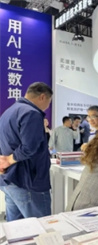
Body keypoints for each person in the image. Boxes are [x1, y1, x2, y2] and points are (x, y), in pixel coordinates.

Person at [0, 82, 53, 221]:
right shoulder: (31, 113)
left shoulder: (9, 112)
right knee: (41, 226)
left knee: (16, 228)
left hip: (11, 180)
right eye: (49, 102)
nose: (48, 106)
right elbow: (29, 148)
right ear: (42, 97)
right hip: (29, 182)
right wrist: (8, 160)